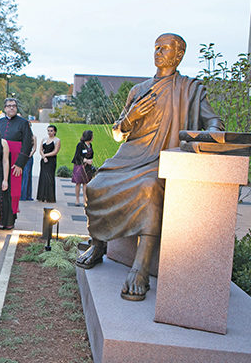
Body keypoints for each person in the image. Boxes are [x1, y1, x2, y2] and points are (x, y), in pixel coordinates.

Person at [76, 33, 224, 301]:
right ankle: (98, 245)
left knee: (149, 187)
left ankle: (140, 268)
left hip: (163, 158)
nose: (158, 52)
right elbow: (118, 133)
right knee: (96, 186)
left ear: (178, 55)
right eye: (156, 47)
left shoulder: (190, 90)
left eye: (164, 48)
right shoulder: (139, 90)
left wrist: (207, 138)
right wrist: (130, 118)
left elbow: (214, 122)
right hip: (131, 155)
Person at [0, 98, 32, 230]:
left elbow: (27, 144)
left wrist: (20, 164)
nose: (12, 108)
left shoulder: (23, 123)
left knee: (11, 191)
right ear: (4, 108)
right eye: (9, 106)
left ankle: (9, 221)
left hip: (15, 162)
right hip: (0, 160)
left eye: (14, 106)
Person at [36, 125, 61, 203]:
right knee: (43, 177)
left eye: (51, 131)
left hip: (51, 160)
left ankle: (49, 197)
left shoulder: (57, 140)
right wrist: (43, 156)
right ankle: (41, 196)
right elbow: (40, 150)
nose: (49, 132)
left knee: (49, 177)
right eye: (48, 131)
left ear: (55, 132)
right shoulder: (44, 139)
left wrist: (46, 155)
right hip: (44, 160)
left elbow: (55, 151)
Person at [71, 130, 94, 206]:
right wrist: (86, 160)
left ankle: (85, 200)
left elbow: (91, 155)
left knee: (86, 183)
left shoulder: (90, 145)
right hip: (79, 166)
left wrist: (90, 160)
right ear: (89, 136)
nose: (93, 137)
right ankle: (77, 200)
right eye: (92, 136)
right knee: (78, 183)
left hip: (87, 167)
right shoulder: (80, 145)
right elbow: (77, 156)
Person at [20, 122, 37, 201]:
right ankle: (20, 194)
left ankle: (26, 195)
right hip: (21, 156)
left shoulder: (33, 137)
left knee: (27, 175)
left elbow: (34, 148)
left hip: (29, 157)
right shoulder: (21, 135)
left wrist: (30, 154)